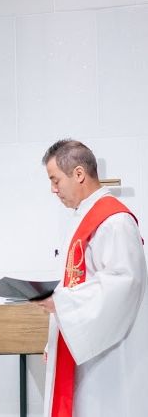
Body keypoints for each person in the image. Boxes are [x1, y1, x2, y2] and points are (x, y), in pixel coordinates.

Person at [36, 139, 148, 417]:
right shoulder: (82, 217)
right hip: (86, 350)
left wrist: (61, 303)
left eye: (55, 180)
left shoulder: (114, 221)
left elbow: (124, 283)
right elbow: (78, 281)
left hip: (108, 358)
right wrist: (56, 335)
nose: (53, 189)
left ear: (78, 174)